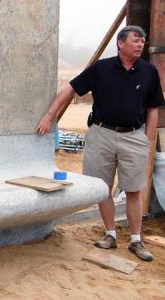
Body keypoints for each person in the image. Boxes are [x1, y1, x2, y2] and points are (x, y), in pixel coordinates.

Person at [36, 25, 164, 261]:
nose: (140, 45)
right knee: (101, 187)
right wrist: (49, 115)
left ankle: (136, 240)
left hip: (133, 136)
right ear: (120, 43)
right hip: (101, 135)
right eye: (135, 41)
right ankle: (110, 234)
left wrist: (146, 139)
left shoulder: (149, 72)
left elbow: (153, 107)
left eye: (142, 41)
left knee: (134, 190)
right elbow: (70, 90)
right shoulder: (101, 69)